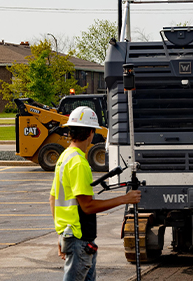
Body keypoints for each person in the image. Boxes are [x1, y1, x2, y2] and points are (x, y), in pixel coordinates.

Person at [49, 106, 141, 281]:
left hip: (73, 236)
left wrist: (61, 234)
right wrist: (125, 198)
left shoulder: (65, 157)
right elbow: (88, 206)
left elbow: (53, 198)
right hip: (79, 238)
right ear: (91, 133)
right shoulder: (79, 163)